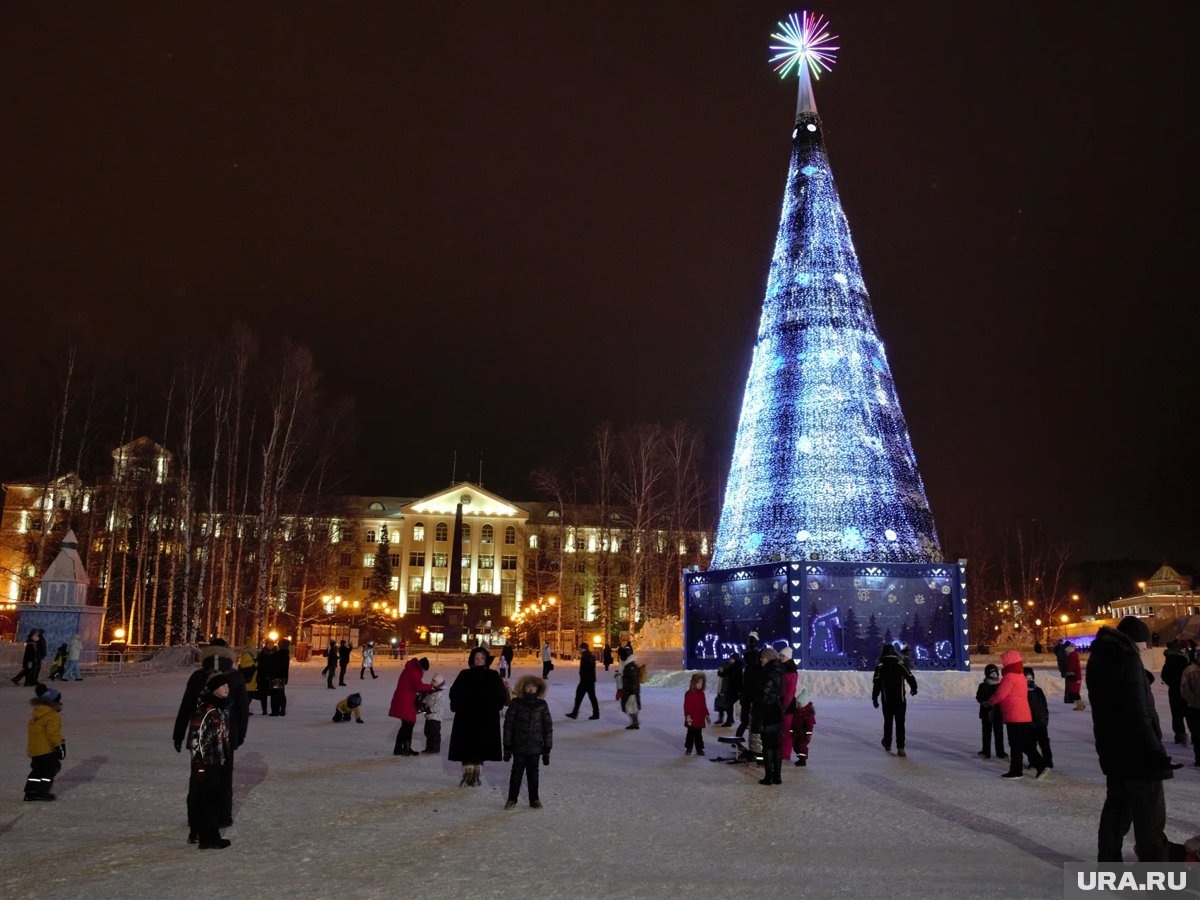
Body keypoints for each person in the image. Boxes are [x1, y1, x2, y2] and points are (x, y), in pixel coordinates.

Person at [1087, 615, 1184, 862]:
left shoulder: (1102, 657)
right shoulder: (1128, 659)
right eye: (1143, 643)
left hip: (1113, 750)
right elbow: (1138, 714)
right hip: (1139, 754)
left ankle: (1108, 866)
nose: (1146, 648)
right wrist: (1156, 753)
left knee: (1116, 813)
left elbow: (1116, 698)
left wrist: (1142, 679)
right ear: (1133, 641)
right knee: (1150, 821)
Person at [172, 641, 249, 832]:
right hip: (226, 736)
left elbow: (186, 706)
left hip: (199, 737)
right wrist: (240, 736)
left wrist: (178, 734)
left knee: (198, 777)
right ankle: (222, 816)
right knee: (224, 777)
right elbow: (242, 710)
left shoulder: (198, 676)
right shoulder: (236, 676)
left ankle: (196, 817)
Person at [448, 646, 508, 786]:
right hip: (466, 717)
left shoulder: (492, 675)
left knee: (481, 746)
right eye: (476, 658)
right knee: (466, 745)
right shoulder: (464, 674)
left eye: (482, 658)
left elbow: (501, 694)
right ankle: (467, 774)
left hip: (485, 718)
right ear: (472, 659)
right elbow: (454, 692)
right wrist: (457, 705)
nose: (479, 660)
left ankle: (476, 774)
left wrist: (495, 707)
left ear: (486, 659)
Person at [186, 674, 233, 850]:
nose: (227, 688)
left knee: (209, 797)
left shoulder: (221, 708)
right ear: (214, 689)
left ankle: (200, 833)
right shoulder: (207, 709)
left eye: (227, 685)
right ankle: (209, 837)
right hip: (207, 762)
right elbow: (195, 738)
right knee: (208, 799)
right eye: (222, 686)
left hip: (217, 760)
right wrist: (199, 764)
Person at [985, 650, 1047, 780]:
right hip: (1024, 715)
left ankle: (1030, 767)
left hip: (1014, 716)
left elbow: (1000, 695)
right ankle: (1021, 768)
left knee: (1017, 745)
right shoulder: (1020, 676)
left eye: (1004, 662)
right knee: (1022, 744)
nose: (1002, 664)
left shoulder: (1009, 677)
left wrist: (989, 702)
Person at [503, 674, 553, 809]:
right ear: (523, 688)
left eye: (533, 686)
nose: (531, 689)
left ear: (538, 689)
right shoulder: (516, 704)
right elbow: (508, 726)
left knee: (533, 774)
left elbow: (547, 727)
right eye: (528, 686)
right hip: (519, 746)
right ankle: (512, 799)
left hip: (535, 747)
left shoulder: (542, 705)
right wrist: (507, 747)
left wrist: (547, 749)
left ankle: (534, 799)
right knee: (516, 774)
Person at [872, 644, 918, 757]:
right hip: (900, 700)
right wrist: (914, 688)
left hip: (887, 700)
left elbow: (876, 684)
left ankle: (887, 743)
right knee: (900, 723)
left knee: (888, 722)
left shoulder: (880, 667)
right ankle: (901, 748)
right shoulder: (900, 665)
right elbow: (910, 677)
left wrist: (875, 698)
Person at [24, 685, 65, 801]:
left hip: (35, 749)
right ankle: (42, 791)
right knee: (51, 769)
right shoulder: (52, 715)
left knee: (37, 770)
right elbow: (54, 733)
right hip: (46, 749)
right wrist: (60, 746)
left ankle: (30, 791)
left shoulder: (37, 712)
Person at [388, 656, 433, 756]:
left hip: (403, 699)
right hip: (405, 701)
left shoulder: (410, 669)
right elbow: (418, 686)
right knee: (409, 724)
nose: (424, 673)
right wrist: (431, 687)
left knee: (405, 725)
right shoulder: (414, 672)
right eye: (424, 671)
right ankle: (406, 749)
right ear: (422, 667)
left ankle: (399, 748)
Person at [1160, 640, 1192, 746]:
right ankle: (1184, 736)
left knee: (1179, 714)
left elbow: (1164, 675)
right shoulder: (1181, 659)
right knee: (1186, 713)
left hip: (1177, 690)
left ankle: (1181, 735)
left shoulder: (1174, 659)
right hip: (1182, 690)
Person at [975, 663, 1007, 760]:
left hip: (998, 713)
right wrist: (983, 702)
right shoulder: (983, 685)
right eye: (991, 673)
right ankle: (986, 752)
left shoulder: (1001, 685)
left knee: (999, 733)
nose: (994, 675)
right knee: (986, 733)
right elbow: (979, 697)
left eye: (995, 672)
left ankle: (1000, 752)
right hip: (986, 713)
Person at [1025, 666, 1053, 769]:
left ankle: (1048, 762)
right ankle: (1033, 762)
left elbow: (1044, 705)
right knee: (1031, 743)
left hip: (1040, 721)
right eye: (1026, 677)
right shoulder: (1022, 691)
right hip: (1028, 721)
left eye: (1030, 677)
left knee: (1044, 743)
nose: (1029, 679)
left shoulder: (1038, 690)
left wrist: (1045, 718)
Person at [565, 643, 600, 720]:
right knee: (591, 697)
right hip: (589, 680)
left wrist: (583, 676)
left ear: (583, 648)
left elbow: (586, 669)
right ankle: (595, 713)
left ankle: (575, 713)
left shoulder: (586, 656)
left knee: (580, 696)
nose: (579, 650)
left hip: (585, 680)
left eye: (580, 648)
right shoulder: (589, 655)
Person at [736, 632, 761, 738]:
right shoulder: (756, 654)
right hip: (753, 690)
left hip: (747, 691)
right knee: (753, 718)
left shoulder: (747, 654)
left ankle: (738, 738)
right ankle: (754, 742)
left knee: (745, 719)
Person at [1179, 656, 1200, 767]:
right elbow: (1185, 689)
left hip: (1193, 707)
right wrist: (1194, 700)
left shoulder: (1189, 670)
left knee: (1197, 735)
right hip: (1194, 709)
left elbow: (1184, 689)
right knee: (1197, 735)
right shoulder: (1189, 671)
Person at [683, 672, 710, 756]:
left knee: (698, 734)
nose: (700, 685)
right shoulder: (688, 694)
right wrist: (688, 715)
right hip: (691, 718)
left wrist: (706, 714)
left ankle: (699, 748)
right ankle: (689, 748)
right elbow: (686, 706)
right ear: (694, 683)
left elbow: (703, 705)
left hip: (699, 718)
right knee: (690, 734)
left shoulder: (702, 694)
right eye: (698, 683)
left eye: (702, 683)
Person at [778, 647, 798, 763]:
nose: (781, 658)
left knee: (786, 730)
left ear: (788, 657)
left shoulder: (791, 671)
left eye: (783, 656)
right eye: (780, 655)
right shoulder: (782, 669)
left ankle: (785, 754)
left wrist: (784, 706)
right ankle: (781, 752)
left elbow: (791, 691)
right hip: (781, 702)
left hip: (787, 705)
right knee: (781, 730)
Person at [262, 638, 290, 716]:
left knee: (275, 694)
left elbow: (271, 664)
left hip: (275, 676)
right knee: (281, 693)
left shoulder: (277, 654)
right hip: (282, 677)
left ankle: (275, 711)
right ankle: (282, 710)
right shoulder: (286, 654)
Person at [616, 645, 641, 730]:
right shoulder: (628, 665)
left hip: (631, 690)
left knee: (631, 707)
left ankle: (635, 722)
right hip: (629, 689)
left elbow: (633, 679)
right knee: (631, 707)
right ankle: (635, 722)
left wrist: (632, 691)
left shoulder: (630, 666)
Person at [420, 674, 446, 754]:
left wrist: (430, 709)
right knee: (427, 732)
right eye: (432, 680)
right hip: (429, 717)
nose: (431, 682)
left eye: (434, 681)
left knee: (434, 733)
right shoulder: (432, 691)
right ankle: (429, 747)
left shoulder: (440, 694)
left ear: (438, 683)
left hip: (436, 717)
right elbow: (426, 699)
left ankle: (435, 748)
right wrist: (423, 703)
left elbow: (438, 705)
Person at [714, 652, 742, 727]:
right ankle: (729, 719)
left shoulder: (736, 667)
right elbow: (725, 674)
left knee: (728, 704)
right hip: (732, 690)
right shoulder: (733, 666)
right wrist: (721, 672)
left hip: (734, 690)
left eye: (732, 659)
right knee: (728, 704)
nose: (730, 660)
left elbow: (733, 677)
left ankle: (729, 721)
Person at [791, 681, 816, 766]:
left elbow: (809, 726)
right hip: (797, 733)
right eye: (797, 704)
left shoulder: (807, 714)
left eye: (799, 704)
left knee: (802, 747)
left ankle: (802, 760)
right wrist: (791, 731)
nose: (797, 705)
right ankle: (800, 758)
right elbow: (793, 723)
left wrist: (808, 734)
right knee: (796, 746)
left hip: (803, 734)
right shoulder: (797, 712)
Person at [1064, 642, 1085, 711]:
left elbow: (1077, 668)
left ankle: (1080, 706)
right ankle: (1080, 705)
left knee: (1075, 693)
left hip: (1074, 677)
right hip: (1072, 676)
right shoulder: (1072, 656)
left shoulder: (1073, 657)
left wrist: (1078, 678)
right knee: (1074, 692)